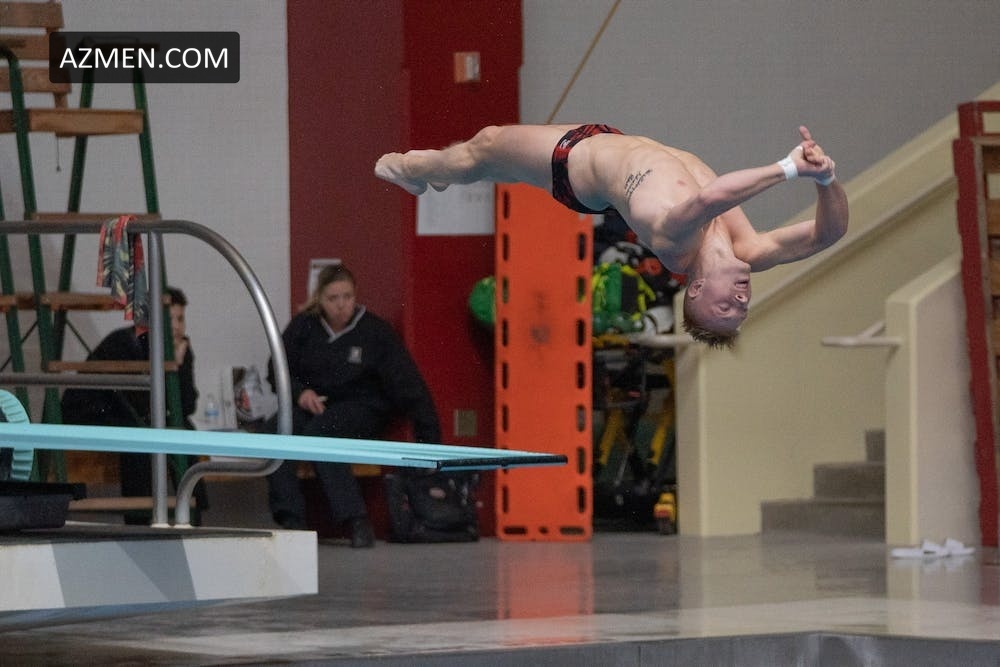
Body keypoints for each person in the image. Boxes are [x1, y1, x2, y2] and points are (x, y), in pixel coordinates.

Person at [376, 124, 849, 347]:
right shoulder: (749, 248)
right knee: (488, 158)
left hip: (574, 165)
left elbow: (711, 198)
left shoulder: (677, 246)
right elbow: (827, 234)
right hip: (614, 140)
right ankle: (440, 174)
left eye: (725, 309)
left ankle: (419, 170)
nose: (741, 302)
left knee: (484, 145)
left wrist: (790, 168)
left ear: (697, 289)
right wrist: (826, 178)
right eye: (741, 310)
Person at [266, 264, 441, 548]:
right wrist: (300, 393)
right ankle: (291, 520)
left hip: (362, 407)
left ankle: (355, 519)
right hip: (314, 403)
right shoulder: (304, 326)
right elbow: (276, 368)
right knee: (276, 431)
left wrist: (430, 441)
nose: (341, 305)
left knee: (321, 434)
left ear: (355, 296)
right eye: (333, 298)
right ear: (320, 299)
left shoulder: (375, 332)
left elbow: (409, 386)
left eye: (347, 297)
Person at [61, 287, 208, 522]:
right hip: (93, 412)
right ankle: (140, 520)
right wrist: (169, 367)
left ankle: (194, 511)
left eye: (180, 319)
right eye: (169, 319)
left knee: (184, 428)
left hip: (131, 415)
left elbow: (187, 405)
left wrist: (177, 367)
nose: (176, 326)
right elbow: (137, 404)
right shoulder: (126, 343)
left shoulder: (180, 348)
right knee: (138, 434)